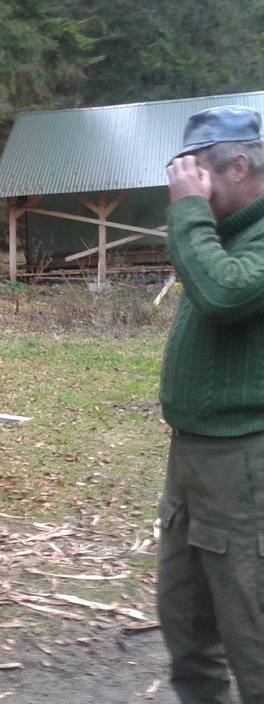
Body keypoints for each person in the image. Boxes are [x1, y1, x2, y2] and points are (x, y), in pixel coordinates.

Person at [158, 105, 264, 704]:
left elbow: (224, 293)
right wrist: (198, 216)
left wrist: (189, 213)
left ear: (241, 165)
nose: (188, 189)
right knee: (187, 628)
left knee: (253, 638)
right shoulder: (220, 236)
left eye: (199, 175)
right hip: (193, 460)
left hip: (245, 463)